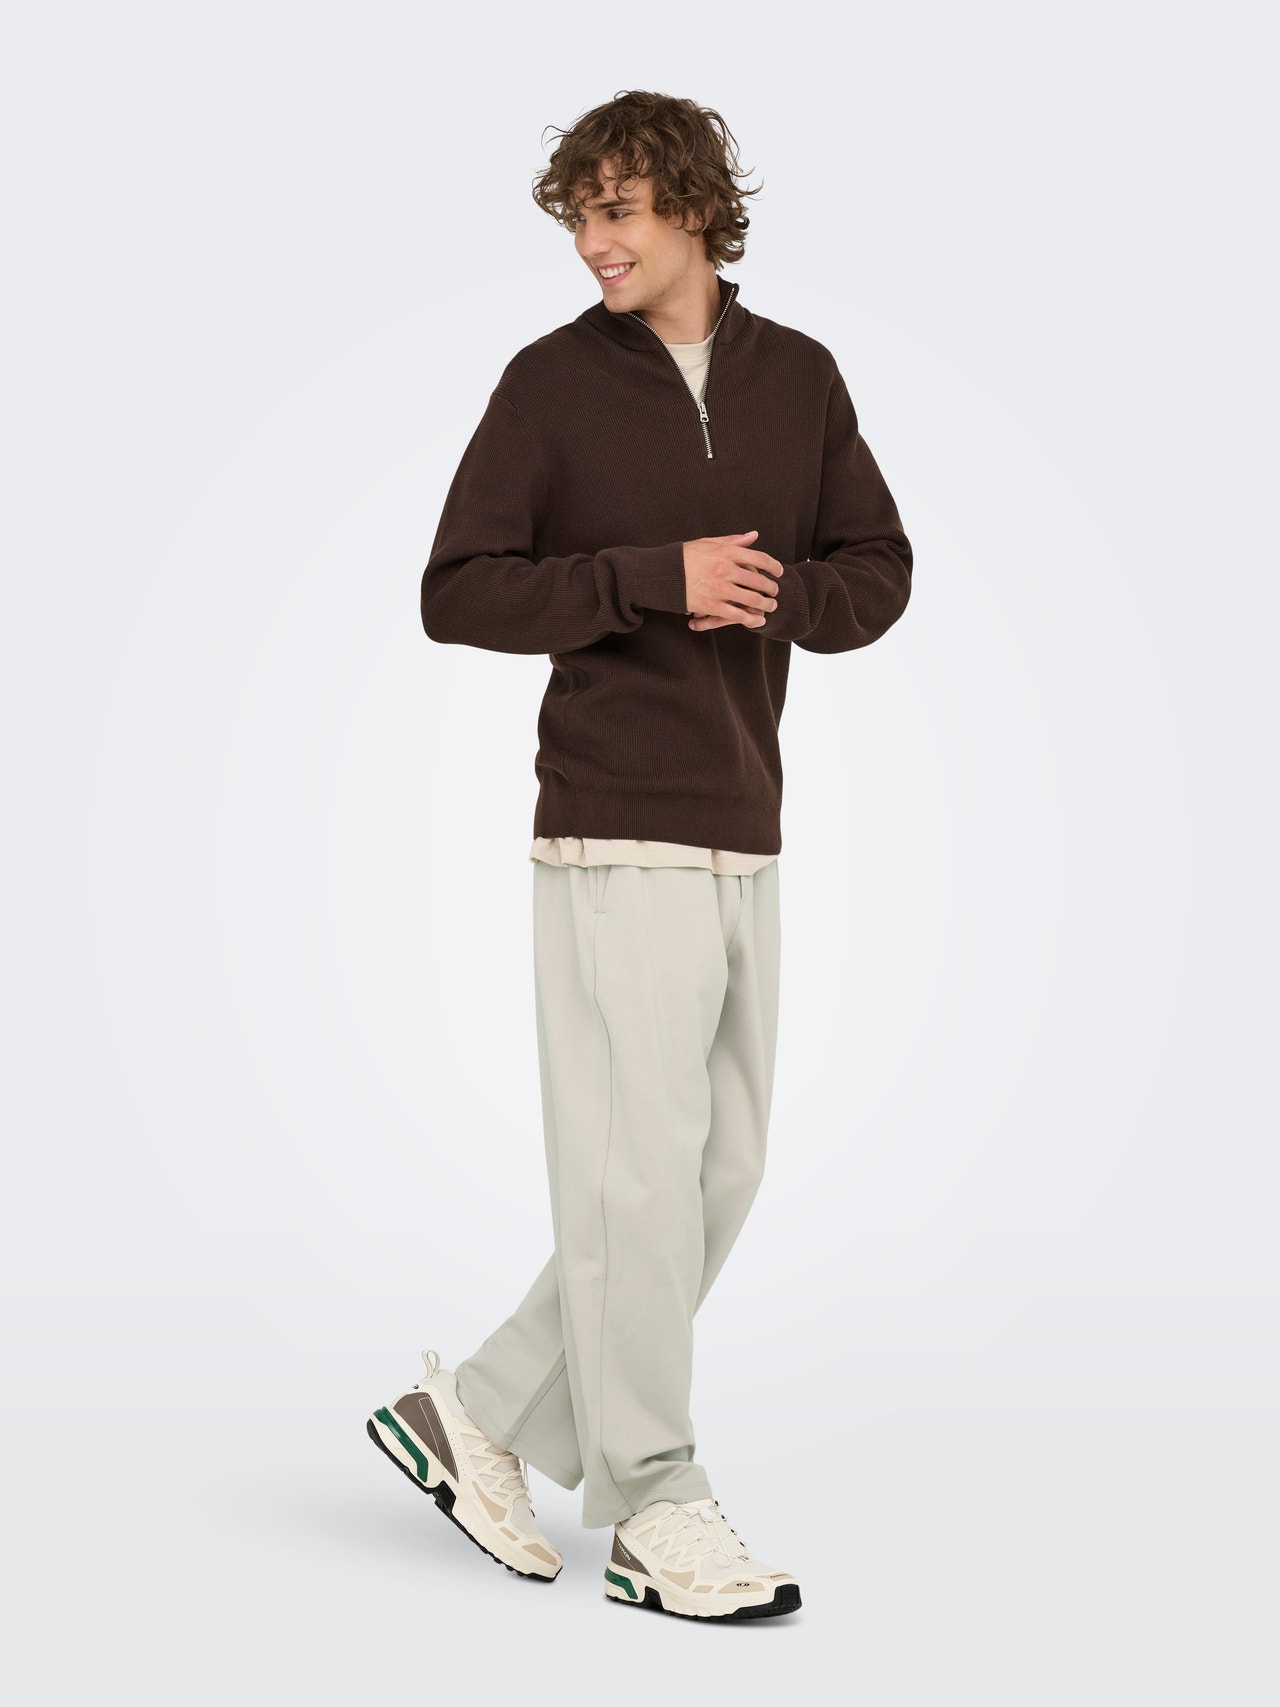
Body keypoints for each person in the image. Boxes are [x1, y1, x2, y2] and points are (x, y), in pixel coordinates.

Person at [367, 89, 913, 1622]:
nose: (593, 244)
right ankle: (655, 1505)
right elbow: (460, 589)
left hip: (745, 821)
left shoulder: (799, 377)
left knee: (710, 1176)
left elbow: (877, 568)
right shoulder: (550, 385)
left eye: (618, 211)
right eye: (579, 218)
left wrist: (779, 594)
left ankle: (474, 1410)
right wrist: (645, 581)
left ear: (691, 207)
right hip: (613, 821)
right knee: (638, 1187)